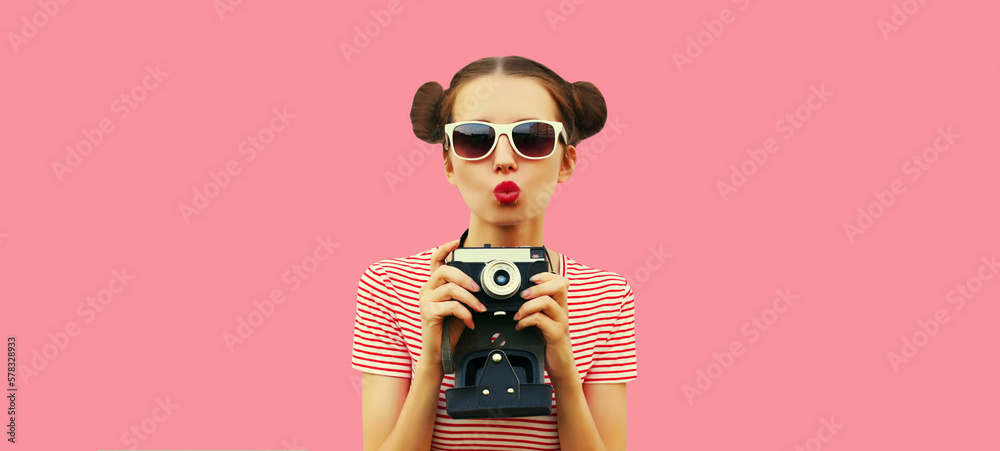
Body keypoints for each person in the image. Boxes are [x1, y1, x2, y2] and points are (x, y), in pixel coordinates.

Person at [351, 55, 637, 450]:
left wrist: (565, 374)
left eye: (532, 136)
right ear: (449, 163)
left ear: (567, 160)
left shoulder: (607, 296)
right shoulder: (389, 286)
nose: (504, 160)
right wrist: (433, 363)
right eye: (475, 138)